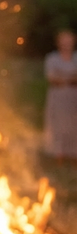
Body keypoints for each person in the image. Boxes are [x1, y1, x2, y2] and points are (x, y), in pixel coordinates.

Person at [44, 29, 77, 163]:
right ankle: (58, 153)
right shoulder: (52, 58)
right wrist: (71, 78)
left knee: (74, 124)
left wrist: (62, 77)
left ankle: (74, 153)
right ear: (58, 43)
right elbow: (52, 78)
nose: (66, 44)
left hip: (74, 97)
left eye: (68, 41)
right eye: (63, 41)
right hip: (57, 97)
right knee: (57, 124)